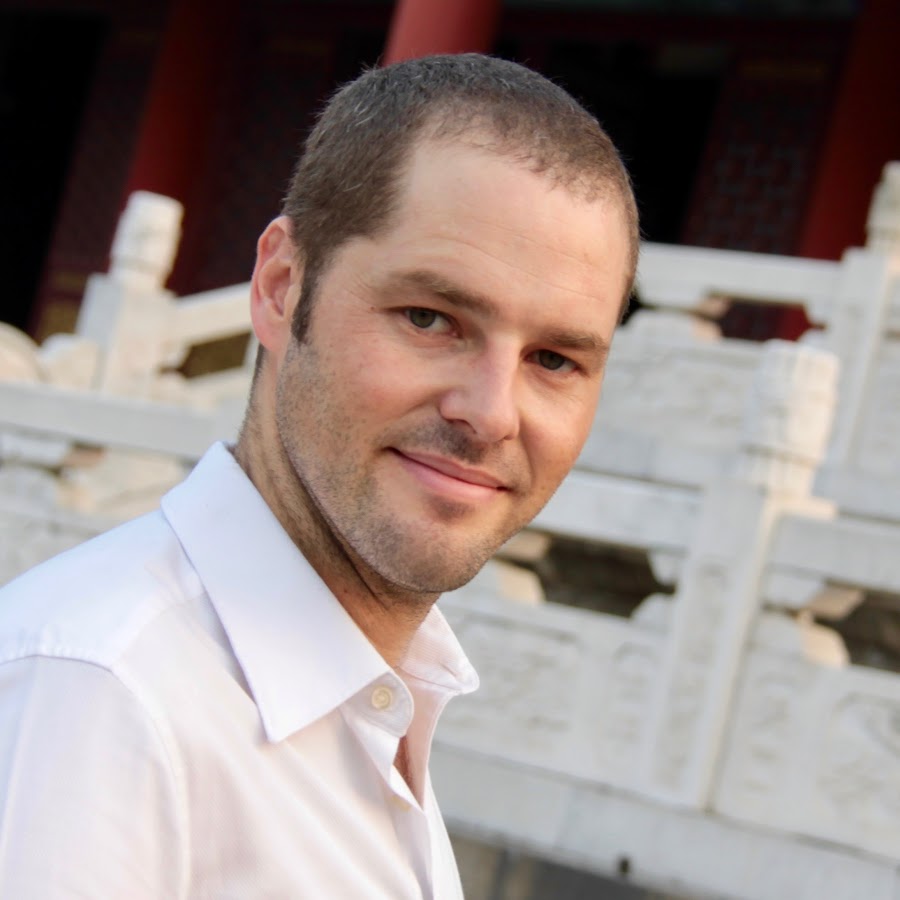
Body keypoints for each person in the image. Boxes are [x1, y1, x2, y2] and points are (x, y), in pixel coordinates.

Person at [0, 53, 637, 897]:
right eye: (430, 318)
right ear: (280, 288)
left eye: (554, 360)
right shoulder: (102, 694)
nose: (492, 414)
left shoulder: (388, 703)